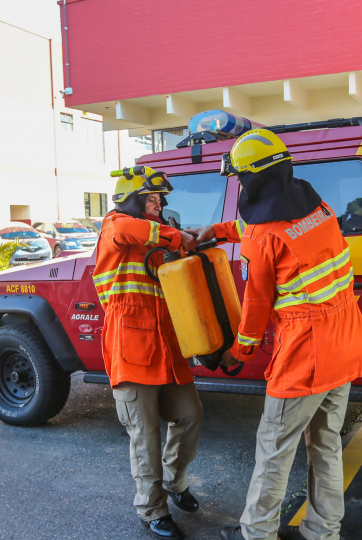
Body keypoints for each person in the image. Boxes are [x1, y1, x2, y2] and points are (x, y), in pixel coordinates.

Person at [187, 129, 362, 540]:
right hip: (345, 343)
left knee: (273, 452)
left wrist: (238, 353)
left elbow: (255, 306)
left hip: (307, 355)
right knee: (326, 445)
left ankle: (256, 533)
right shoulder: (314, 204)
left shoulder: (263, 237)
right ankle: (323, 531)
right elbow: (262, 226)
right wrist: (218, 230)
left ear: (250, 180)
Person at [93, 165, 203, 539]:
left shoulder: (157, 243)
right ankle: (151, 509)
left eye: (160, 201)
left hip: (167, 347)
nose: (157, 206)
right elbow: (128, 229)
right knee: (145, 434)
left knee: (190, 416)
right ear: (132, 200)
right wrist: (178, 236)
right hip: (132, 347)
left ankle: (174, 481)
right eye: (151, 199)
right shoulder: (116, 226)